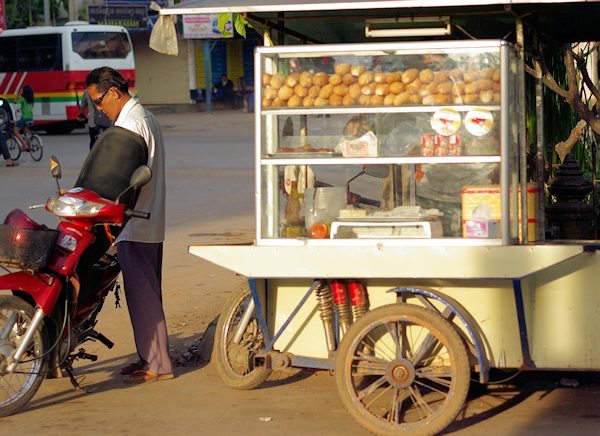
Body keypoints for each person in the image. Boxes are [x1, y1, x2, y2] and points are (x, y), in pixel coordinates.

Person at [84, 67, 173, 384]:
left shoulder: (131, 125)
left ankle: (158, 365)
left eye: (98, 101)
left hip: (135, 223)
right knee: (144, 293)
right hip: (146, 221)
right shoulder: (143, 117)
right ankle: (149, 357)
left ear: (112, 92)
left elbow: (115, 180)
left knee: (143, 295)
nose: (99, 109)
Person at [13, 85, 34, 151]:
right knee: (25, 130)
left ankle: (25, 146)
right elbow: (27, 108)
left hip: (24, 118)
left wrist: (19, 94)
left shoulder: (23, 99)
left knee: (15, 130)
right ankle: (30, 144)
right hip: (30, 118)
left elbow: (14, 101)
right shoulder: (32, 99)